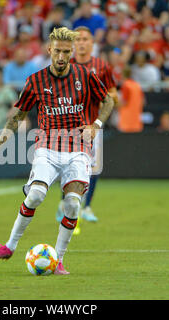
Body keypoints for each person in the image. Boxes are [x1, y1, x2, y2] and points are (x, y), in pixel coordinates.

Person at [0, 27, 114, 275]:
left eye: (67, 52)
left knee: (72, 204)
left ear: (72, 52)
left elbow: (108, 100)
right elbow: (17, 116)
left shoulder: (85, 75)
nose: (61, 57)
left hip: (78, 147)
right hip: (47, 146)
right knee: (37, 195)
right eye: (58, 51)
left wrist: (96, 125)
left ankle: (58, 260)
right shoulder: (35, 81)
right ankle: (8, 247)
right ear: (49, 50)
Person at [55, 26, 117, 228]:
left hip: (92, 125)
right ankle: (65, 203)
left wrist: (102, 98)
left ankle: (87, 206)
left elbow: (113, 94)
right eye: (78, 39)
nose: (82, 42)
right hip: (68, 124)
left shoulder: (102, 66)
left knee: (92, 168)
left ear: (92, 43)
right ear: (74, 44)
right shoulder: (66, 64)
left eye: (85, 39)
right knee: (66, 165)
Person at [117, 66, 145, 133]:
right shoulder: (137, 85)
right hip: (136, 122)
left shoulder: (126, 85)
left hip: (126, 122)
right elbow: (143, 101)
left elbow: (124, 102)